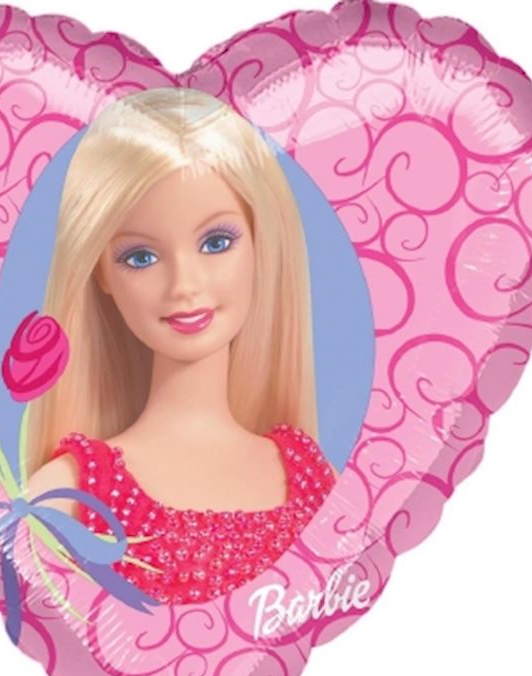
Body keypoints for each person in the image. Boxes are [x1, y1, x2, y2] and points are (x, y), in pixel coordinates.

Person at [25, 87, 336, 605]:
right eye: (140, 257)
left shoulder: (313, 481)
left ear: (262, 244)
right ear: (100, 273)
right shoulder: (66, 497)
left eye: (216, 243)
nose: (184, 286)